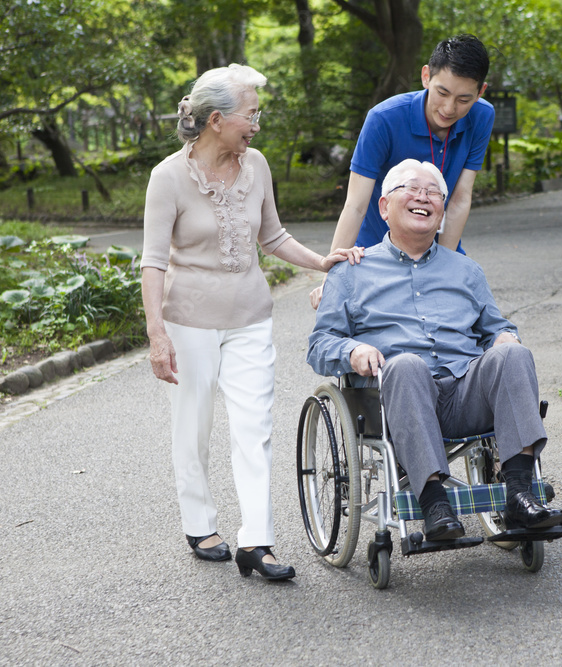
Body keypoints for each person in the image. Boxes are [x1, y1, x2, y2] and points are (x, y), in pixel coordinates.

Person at [141, 64, 362, 581]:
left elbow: (274, 236)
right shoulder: (168, 177)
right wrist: (157, 335)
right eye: (251, 114)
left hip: (250, 317)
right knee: (193, 425)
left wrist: (322, 261)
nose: (257, 124)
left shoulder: (257, 164)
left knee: (255, 426)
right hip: (188, 319)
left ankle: (256, 542)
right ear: (217, 119)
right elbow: (152, 261)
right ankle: (199, 524)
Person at [307, 159, 562, 541]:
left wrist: (506, 337)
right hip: (397, 397)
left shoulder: (466, 270)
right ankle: (435, 505)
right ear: (383, 207)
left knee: (514, 354)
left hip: (464, 394)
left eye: (433, 193)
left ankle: (520, 495)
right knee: (406, 363)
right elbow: (320, 344)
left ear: (442, 211)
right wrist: (353, 350)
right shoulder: (351, 271)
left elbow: (497, 327)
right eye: (411, 189)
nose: (423, 197)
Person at [309, 34, 495, 308]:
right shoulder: (383, 119)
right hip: (374, 252)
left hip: (436, 247)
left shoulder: (482, 116)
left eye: (464, 99)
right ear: (425, 76)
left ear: (480, 92)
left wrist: (439, 268)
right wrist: (331, 277)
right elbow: (355, 205)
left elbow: (459, 198)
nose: (448, 108)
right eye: (442, 92)